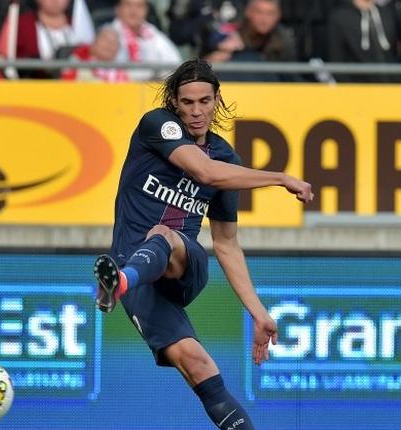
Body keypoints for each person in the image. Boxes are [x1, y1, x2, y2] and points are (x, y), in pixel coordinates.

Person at [93, 59, 313, 430]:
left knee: (162, 234)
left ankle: (117, 283)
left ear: (216, 101)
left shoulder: (227, 160)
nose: (196, 111)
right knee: (198, 365)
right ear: (174, 103)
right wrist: (280, 177)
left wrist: (258, 312)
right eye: (187, 102)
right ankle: (123, 282)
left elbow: (226, 244)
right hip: (135, 269)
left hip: (183, 266)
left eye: (204, 101)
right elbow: (202, 171)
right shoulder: (156, 126)